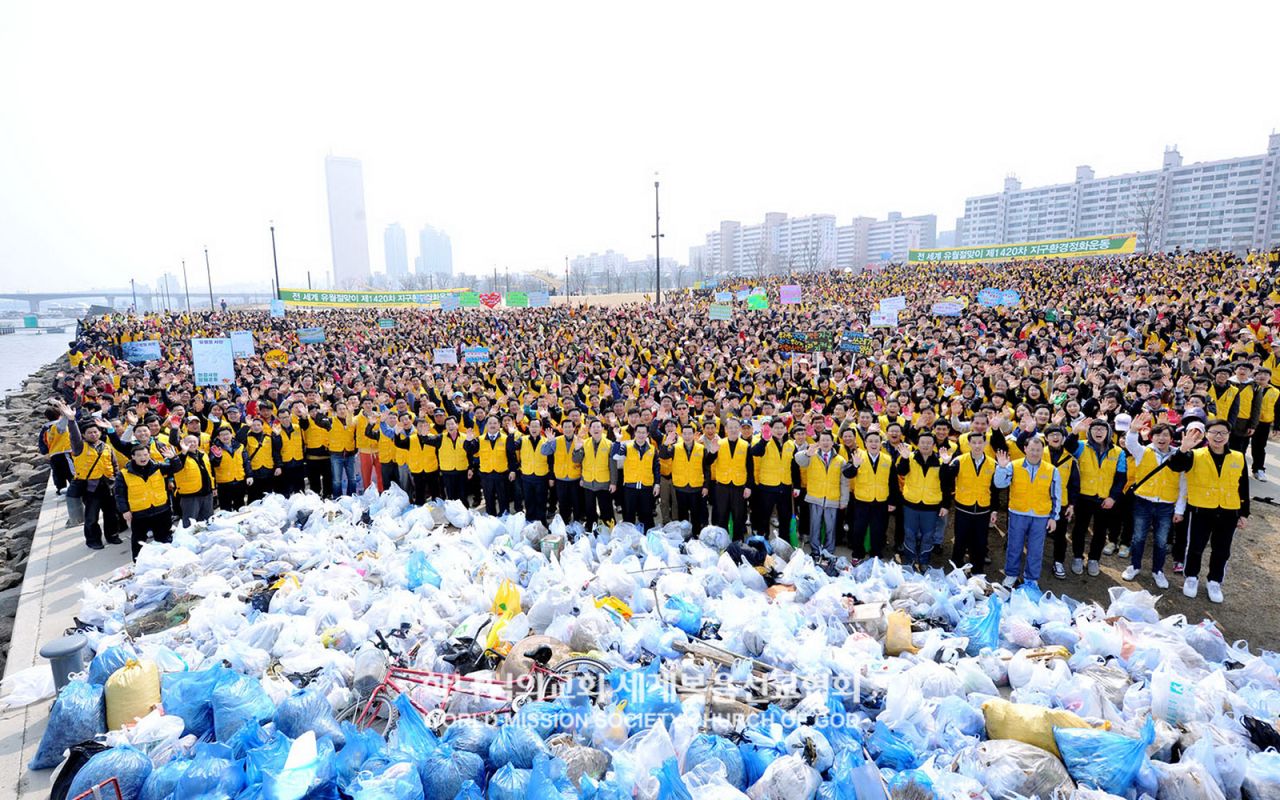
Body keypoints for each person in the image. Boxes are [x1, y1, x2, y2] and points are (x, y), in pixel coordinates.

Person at [1168, 419, 1249, 603]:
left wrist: (1244, 513)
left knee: (1222, 550)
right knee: (1195, 546)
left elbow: (1243, 486)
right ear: (1207, 435)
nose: (1218, 436)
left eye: (1223, 433)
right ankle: (1191, 577)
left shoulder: (1238, 457)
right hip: (1201, 510)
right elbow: (1174, 466)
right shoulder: (1194, 455)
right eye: (1214, 432)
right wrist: (1183, 449)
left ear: (1229, 435)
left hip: (1229, 511)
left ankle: (1214, 581)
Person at [1122, 414, 1182, 589]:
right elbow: (1131, 443)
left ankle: (1158, 571)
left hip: (1166, 504)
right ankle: (1135, 566)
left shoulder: (1178, 455)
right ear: (1151, 437)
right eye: (1157, 435)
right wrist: (1133, 430)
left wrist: (1179, 509)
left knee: (1161, 541)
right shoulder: (1143, 452)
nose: (1161, 438)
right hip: (1143, 502)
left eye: (1165, 435)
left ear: (1171, 438)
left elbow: (1183, 484)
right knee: (1138, 537)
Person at [994, 437, 1062, 589]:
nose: (1035, 453)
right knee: (1014, 546)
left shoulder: (1051, 470)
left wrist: (1054, 517)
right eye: (1032, 449)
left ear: (1042, 451)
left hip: (1040, 516)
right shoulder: (1013, 466)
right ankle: (1011, 575)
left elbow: (1056, 495)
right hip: (1018, 513)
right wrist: (1001, 468)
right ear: (1025, 449)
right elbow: (999, 484)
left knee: (1036, 549)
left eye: (1038, 450)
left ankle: (1031, 579)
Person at [58, 401, 122, 549]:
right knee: (92, 517)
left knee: (111, 514)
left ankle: (112, 536)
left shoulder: (106, 447)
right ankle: (94, 540)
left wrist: (116, 480)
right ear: (84, 435)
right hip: (90, 488)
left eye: (96, 432)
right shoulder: (80, 447)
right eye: (90, 433)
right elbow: (74, 436)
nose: (93, 434)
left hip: (108, 485)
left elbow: (114, 465)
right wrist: (71, 421)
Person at [1071, 421, 1127, 575]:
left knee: (1100, 531)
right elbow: (1068, 446)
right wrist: (1075, 432)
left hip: (1105, 499)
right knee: (1080, 529)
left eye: (1102, 429)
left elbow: (1121, 478)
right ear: (1089, 432)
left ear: (1108, 432)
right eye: (1095, 429)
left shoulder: (1118, 452)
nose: (1098, 432)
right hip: (1084, 496)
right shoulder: (1081, 446)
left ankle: (1094, 559)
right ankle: (1077, 557)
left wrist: (1113, 497)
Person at [894, 431, 953, 571]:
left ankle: (924, 561)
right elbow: (901, 472)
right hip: (911, 504)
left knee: (928, 535)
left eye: (929, 443)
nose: (925, 445)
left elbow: (946, 484)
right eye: (922, 442)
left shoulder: (941, 461)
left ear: (933, 445)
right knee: (909, 533)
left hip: (931, 506)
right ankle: (910, 560)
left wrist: (945, 505)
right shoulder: (910, 457)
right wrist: (904, 459)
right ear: (918, 444)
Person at [113, 441, 181, 560]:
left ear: (149, 455)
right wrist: (125, 510)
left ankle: (166, 561)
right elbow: (119, 494)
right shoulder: (123, 474)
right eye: (139, 455)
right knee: (139, 541)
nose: (142, 458)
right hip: (140, 513)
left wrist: (174, 458)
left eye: (145, 454)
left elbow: (177, 468)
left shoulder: (158, 467)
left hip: (161, 510)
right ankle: (138, 562)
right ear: (133, 457)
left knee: (165, 539)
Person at [946, 431, 996, 572]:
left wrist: (994, 510)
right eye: (974, 443)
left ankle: (977, 571)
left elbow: (995, 489)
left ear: (985, 443)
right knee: (960, 540)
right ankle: (956, 569)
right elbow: (946, 478)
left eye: (980, 442)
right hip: (963, 508)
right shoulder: (959, 461)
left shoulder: (993, 463)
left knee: (980, 541)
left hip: (983, 509)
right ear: (969, 444)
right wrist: (945, 464)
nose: (977, 446)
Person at [793, 431, 847, 557]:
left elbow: (844, 482)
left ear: (832, 442)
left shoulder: (840, 460)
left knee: (830, 527)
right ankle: (815, 550)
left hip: (832, 499)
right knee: (815, 526)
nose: (825, 443)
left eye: (828, 440)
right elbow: (798, 459)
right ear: (819, 442)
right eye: (823, 440)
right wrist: (807, 453)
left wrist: (844, 500)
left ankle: (829, 551)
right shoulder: (811, 455)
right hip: (815, 497)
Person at [846, 430, 895, 560]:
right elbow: (847, 474)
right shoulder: (858, 456)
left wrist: (892, 501)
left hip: (881, 501)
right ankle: (857, 555)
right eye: (870, 441)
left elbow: (893, 482)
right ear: (865, 443)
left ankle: (876, 556)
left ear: (880, 443)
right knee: (858, 529)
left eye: (876, 441)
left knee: (878, 530)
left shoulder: (887, 459)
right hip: (862, 501)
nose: (873, 444)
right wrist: (854, 466)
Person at [706, 417, 753, 537]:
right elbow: (707, 462)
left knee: (739, 516)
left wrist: (748, 486)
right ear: (726, 429)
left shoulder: (745, 445)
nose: (733, 430)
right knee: (721, 515)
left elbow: (750, 468)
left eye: (736, 427)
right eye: (730, 427)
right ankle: (722, 540)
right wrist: (712, 452)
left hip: (739, 486)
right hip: (722, 485)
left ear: (739, 429)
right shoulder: (719, 443)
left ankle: (738, 541)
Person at [748, 418, 795, 539]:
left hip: (785, 485)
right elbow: (754, 452)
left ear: (785, 429)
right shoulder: (764, 441)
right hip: (767, 486)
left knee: (785, 516)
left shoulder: (790, 444)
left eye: (781, 428)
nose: (779, 430)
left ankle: (784, 541)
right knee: (764, 515)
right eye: (776, 428)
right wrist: (764, 440)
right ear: (771, 429)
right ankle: (763, 539)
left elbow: (794, 466)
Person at [662, 421, 711, 534]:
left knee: (696, 514)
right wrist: (666, 443)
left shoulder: (701, 448)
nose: (687, 436)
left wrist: (706, 486)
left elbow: (706, 469)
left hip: (696, 487)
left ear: (694, 435)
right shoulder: (675, 448)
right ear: (681, 435)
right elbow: (663, 455)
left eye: (690, 433)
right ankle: (684, 536)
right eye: (685, 433)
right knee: (682, 515)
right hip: (680, 487)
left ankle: (696, 535)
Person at [612, 423, 660, 529]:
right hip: (630, 487)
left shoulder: (652, 449)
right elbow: (615, 456)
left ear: (647, 434)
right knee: (629, 515)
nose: (641, 435)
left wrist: (657, 484)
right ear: (635, 433)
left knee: (647, 515)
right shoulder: (626, 446)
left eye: (643, 433)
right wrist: (618, 440)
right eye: (638, 432)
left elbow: (656, 468)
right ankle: (630, 535)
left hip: (646, 487)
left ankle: (647, 535)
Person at [470, 416, 516, 516]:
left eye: (495, 423)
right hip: (486, 475)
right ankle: (491, 518)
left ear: (499, 425)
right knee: (489, 499)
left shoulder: (506, 438)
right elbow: (470, 450)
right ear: (486, 425)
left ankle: (504, 517)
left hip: (502, 474)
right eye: (490, 423)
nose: (492, 425)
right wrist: (468, 441)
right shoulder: (480, 439)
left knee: (503, 498)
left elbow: (511, 455)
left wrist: (513, 470)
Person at [512, 418, 555, 524]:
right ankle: (530, 521)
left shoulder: (546, 441)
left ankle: (542, 522)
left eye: (536, 426)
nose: (534, 429)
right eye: (532, 426)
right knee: (529, 500)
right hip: (527, 476)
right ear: (529, 428)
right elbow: (511, 447)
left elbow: (551, 461)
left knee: (541, 500)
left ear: (540, 428)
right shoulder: (522, 440)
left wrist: (551, 477)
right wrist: (511, 434)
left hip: (542, 476)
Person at [576, 418, 617, 530]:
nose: (596, 429)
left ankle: (609, 528)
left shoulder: (609, 444)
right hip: (588, 481)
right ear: (589, 430)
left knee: (606, 508)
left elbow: (613, 466)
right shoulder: (584, 443)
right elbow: (577, 460)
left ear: (602, 429)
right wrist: (577, 449)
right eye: (593, 427)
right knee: (589, 508)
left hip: (603, 481)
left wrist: (613, 483)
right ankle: (591, 527)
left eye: (598, 426)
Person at [171, 434, 216, 524]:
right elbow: (176, 467)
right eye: (189, 442)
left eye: (194, 441)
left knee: (208, 521)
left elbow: (209, 472)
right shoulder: (179, 457)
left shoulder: (203, 454)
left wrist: (213, 487)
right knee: (190, 523)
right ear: (183, 444)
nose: (192, 444)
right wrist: (183, 452)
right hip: (190, 496)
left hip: (207, 493)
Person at [549, 418, 583, 525]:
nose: (567, 429)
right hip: (561, 478)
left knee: (577, 503)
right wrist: (549, 442)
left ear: (574, 428)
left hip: (575, 478)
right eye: (565, 427)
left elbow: (583, 461)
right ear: (562, 429)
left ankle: (577, 523)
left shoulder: (580, 441)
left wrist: (583, 478)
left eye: (569, 427)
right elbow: (544, 452)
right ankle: (565, 524)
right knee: (563, 504)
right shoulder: (556, 440)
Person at [209, 426, 250, 511]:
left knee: (240, 506)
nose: (225, 437)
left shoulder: (240, 446)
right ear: (218, 437)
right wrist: (217, 457)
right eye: (222, 435)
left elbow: (246, 462)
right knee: (225, 508)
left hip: (239, 480)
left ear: (232, 435)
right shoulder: (215, 448)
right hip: (224, 483)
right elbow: (213, 465)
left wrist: (249, 475)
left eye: (227, 434)